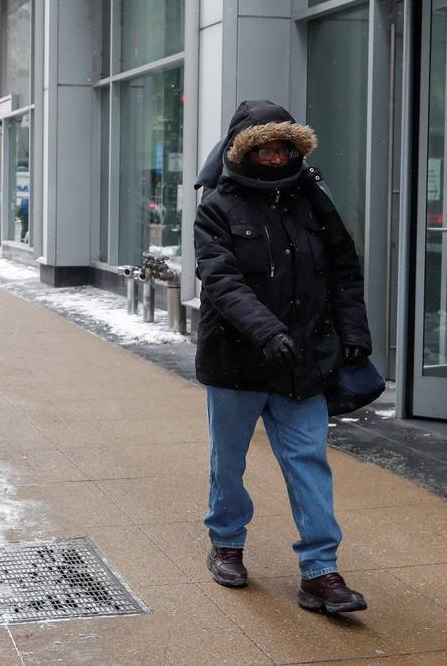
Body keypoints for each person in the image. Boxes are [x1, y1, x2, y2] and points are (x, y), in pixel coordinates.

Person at [192, 100, 372, 615]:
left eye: (283, 148)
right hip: (236, 361)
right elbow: (221, 280)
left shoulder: (313, 199)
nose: (275, 158)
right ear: (243, 151)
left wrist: (354, 332)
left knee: (308, 462)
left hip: (302, 362)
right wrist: (266, 332)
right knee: (229, 460)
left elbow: (343, 269)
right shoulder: (216, 208)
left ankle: (320, 571)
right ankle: (226, 543)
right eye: (264, 148)